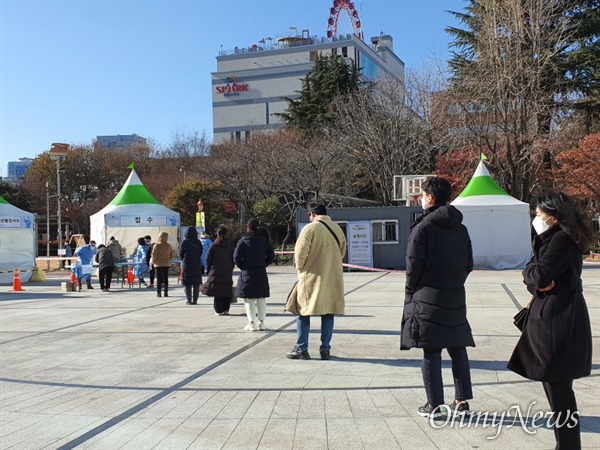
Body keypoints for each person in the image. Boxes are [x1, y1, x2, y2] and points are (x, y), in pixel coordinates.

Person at [508, 191, 593, 450]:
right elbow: (539, 279)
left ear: (553, 217)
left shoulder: (560, 241)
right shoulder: (556, 239)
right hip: (560, 314)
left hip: (558, 320)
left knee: (559, 387)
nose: (536, 216)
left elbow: (539, 275)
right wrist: (535, 279)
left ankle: (568, 446)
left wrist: (530, 274)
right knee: (557, 386)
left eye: (539, 212)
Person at [400, 177, 475, 419]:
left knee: (431, 351)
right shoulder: (461, 228)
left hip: (427, 296)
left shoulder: (423, 228)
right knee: (458, 347)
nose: (421, 199)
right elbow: (468, 263)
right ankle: (461, 401)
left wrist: (411, 292)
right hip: (455, 295)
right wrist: (454, 282)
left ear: (430, 197)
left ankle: (435, 405)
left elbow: (413, 266)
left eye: (422, 195)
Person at [285, 203, 346, 360]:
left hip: (311, 277)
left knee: (303, 311)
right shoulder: (337, 229)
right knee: (328, 312)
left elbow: (299, 255)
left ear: (312, 214)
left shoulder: (309, 229)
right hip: (332, 277)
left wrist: (301, 269)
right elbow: (342, 252)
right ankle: (325, 350)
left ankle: (301, 348)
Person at [235, 218, 275, 330]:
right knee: (261, 298)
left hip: (247, 273)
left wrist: (243, 266)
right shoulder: (264, 240)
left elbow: (236, 257)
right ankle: (262, 323)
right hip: (261, 272)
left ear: (248, 228)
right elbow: (271, 255)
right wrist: (263, 264)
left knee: (249, 299)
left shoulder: (243, 241)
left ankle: (251, 323)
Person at [202, 226, 235, 315]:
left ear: (218, 233)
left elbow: (208, 258)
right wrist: (231, 267)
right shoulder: (230, 246)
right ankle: (226, 309)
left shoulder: (214, 245)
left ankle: (218, 310)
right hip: (227, 270)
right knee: (226, 289)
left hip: (216, 270)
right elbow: (234, 258)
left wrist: (209, 269)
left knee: (218, 291)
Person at [180, 227, 203, 305]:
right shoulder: (198, 242)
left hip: (187, 264)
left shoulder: (184, 242)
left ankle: (189, 300)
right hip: (196, 264)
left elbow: (181, 254)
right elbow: (201, 252)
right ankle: (195, 300)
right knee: (196, 283)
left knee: (187, 283)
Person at [150, 232, 173, 298]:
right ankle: (166, 292)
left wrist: (154, 261)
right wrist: (169, 259)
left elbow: (154, 254)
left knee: (159, 278)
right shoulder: (168, 245)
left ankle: (158, 292)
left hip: (158, 263)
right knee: (165, 278)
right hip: (166, 262)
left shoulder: (157, 245)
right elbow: (171, 253)